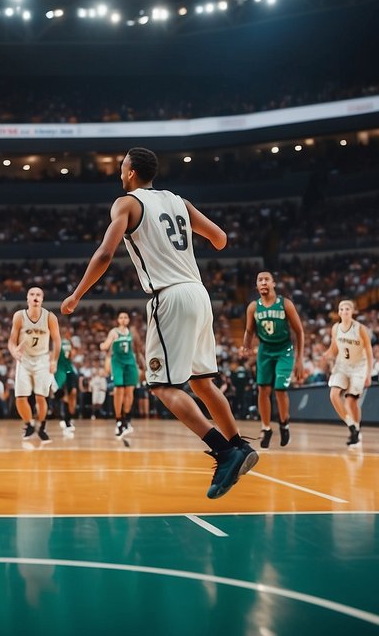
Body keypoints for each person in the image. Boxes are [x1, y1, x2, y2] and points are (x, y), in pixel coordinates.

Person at [62, 147, 257, 500]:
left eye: (121, 167)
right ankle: (239, 444)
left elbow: (105, 253)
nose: (120, 173)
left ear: (132, 172)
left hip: (169, 296)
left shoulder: (126, 203)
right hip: (199, 293)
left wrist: (76, 295)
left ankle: (224, 450)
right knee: (202, 383)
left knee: (161, 385)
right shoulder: (179, 200)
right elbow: (220, 238)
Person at [240, 271, 304, 448]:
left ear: (273, 283)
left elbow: (299, 331)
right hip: (265, 351)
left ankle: (284, 424)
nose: (263, 282)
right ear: (257, 286)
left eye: (266, 279)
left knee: (279, 390)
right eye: (260, 280)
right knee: (262, 390)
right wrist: (245, 346)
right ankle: (266, 428)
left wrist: (299, 359)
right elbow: (249, 330)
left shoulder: (285, 304)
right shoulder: (253, 307)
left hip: (284, 351)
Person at [9, 287, 61, 443]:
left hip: (42, 359)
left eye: (38, 295)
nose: (35, 297)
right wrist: (14, 351)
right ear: (27, 299)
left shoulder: (50, 317)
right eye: (32, 294)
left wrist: (54, 360)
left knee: (40, 396)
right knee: (20, 397)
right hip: (24, 359)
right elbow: (12, 341)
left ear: (42, 299)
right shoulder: (19, 316)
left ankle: (43, 426)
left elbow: (57, 340)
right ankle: (29, 424)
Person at [320, 300, 373, 446]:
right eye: (341, 309)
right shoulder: (335, 328)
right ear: (338, 312)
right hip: (342, 365)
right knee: (333, 395)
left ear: (353, 311)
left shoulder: (360, 329)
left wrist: (368, 373)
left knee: (351, 401)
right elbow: (334, 347)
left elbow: (369, 351)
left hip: (359, 366)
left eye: (347, 309)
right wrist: (326, 354)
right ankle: (351, 426)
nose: (344, 311)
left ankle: (357, 428)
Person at [100, 312, 139, 438]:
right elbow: (105, 345)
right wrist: (103, 345)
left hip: (130, 363)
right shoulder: (114, 332)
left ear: (128, 320)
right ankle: (118, 420)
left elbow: (137, 348)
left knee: (129, 392)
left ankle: (126, 418)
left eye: (126, 317)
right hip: (117, 363)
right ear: (117, 320)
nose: (123, 319)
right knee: (118, 390)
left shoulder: (132, 332)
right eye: (121, 317)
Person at [53, 332, 80, 437]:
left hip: (69, 369)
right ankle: (64, 419)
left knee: (73, 392)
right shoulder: (56, 342)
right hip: (60, 370)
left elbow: (73, 354)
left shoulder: (70, 343)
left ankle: (69, 417)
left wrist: (72, 345)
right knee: (62, 395)